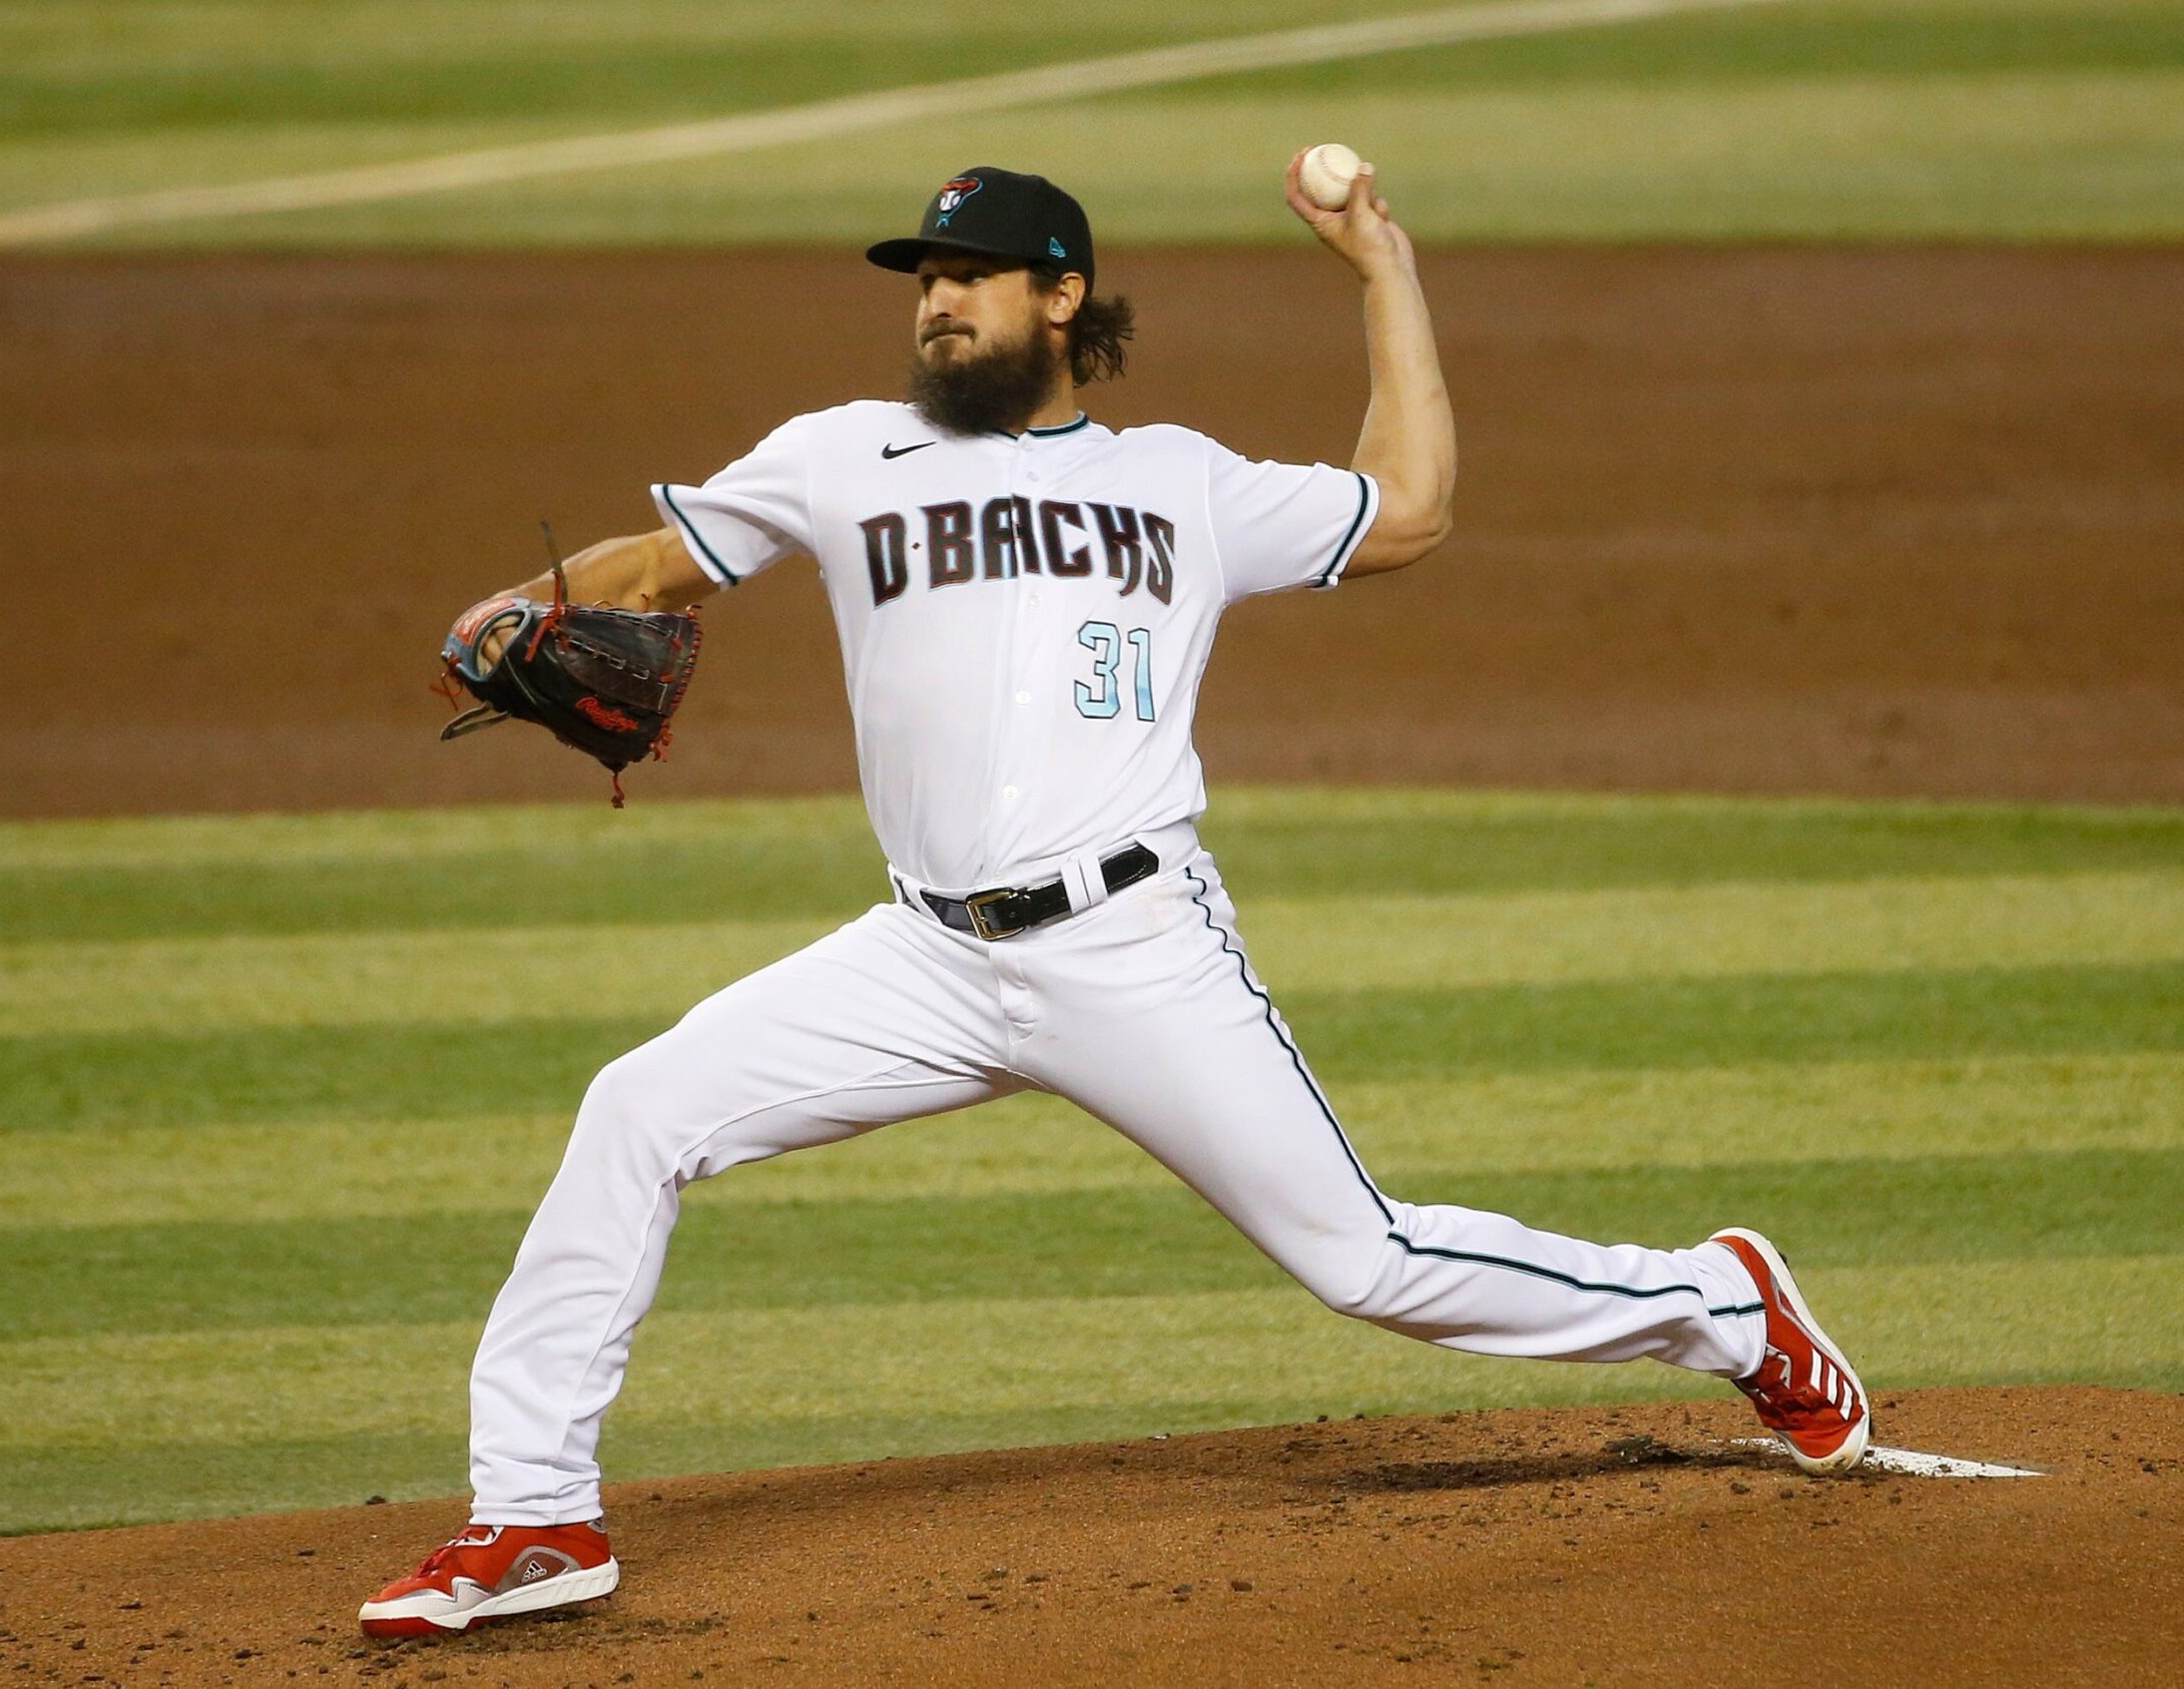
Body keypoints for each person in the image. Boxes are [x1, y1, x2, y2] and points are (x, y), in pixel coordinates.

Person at [358, 159, 1870, 1640]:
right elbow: (664, 565)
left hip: (1135, 945)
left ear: (1063, 296)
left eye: (968, 278)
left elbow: (1407, 508)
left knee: (1367, 1262)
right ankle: (538, 1514)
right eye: (924, 283)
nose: (936, 306)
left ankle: (1724, 1306)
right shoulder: (839, 452)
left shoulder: (1180, 483)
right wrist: (524, 608)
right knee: (640, 1108)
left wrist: (1383, 272)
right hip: (921, 958)